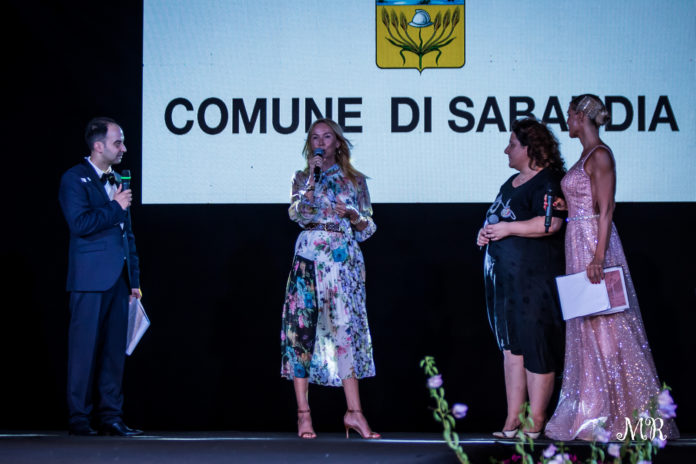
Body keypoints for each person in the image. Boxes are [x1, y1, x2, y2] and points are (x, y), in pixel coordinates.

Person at [544, 95, 679, 441]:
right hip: (578, 237)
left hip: (594, 242)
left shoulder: (601, 154)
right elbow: (587, 199)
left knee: (608, 324)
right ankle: (593, 410)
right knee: (587, 325)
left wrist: (599, 257)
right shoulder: (586, 155)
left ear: (581, 117)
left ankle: (619, 412)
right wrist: (568, 204)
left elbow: (606, 209)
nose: (566, 122)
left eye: (569, 115)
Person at [280, 118, 380, 440]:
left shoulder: (355, 180)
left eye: (327, 136)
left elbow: (368, 228)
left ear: (338, 142)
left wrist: (353, 214)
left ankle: (354, 413)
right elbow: (298, 215)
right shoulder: (301, 178)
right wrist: (312, 179)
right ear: (310, 144)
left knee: (345, 332)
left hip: (342, 260)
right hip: (309, 258)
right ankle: (303, 414)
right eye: (315, 137)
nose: (321, 142)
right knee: (301, 332)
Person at [476, 118, 566, 439]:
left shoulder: (548, 181)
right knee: (511, 348)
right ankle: (512, 420)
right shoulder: (511, 182)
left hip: (533, 281)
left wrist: (506, 228)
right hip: (504, 281)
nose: (506, 150)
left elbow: (550, 223)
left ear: (529, 148)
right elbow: (497, 216)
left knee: (535, 345)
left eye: (512, 144)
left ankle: (536, 420)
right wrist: (486, 231)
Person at [58, 117, 143, 436]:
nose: (124, 148)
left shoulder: (118, 179)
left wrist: (134, 281)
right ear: (98, 145)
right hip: (89, 279)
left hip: (118, 279)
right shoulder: (74, 178)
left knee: (113, 352)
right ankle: (79, 417)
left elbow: (127, 233)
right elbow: (79, 224)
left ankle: (111, 416)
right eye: (117, 142)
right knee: (83, 350)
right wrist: (115, 207)